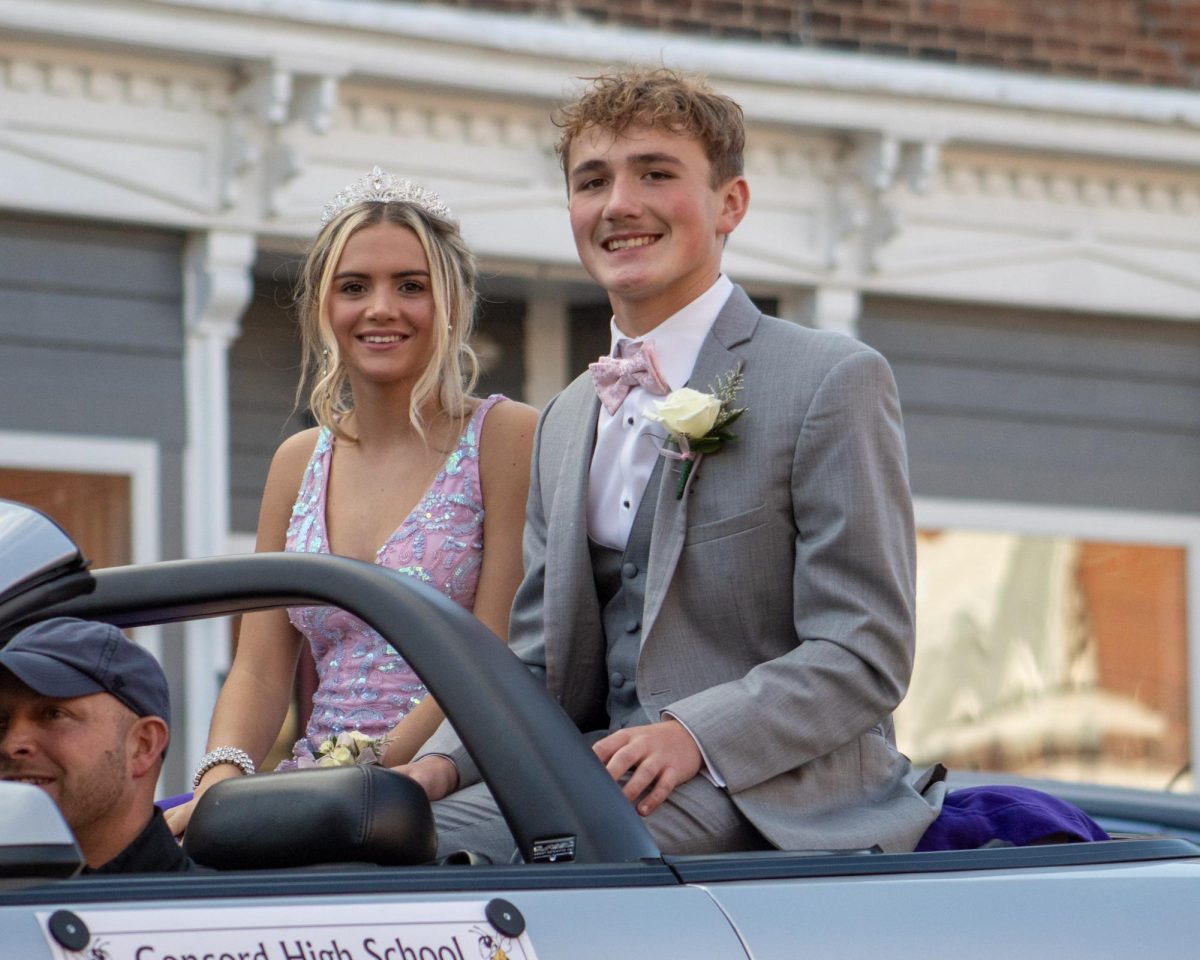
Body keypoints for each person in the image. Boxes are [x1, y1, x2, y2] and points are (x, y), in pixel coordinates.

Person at [402, 67, 944, 859]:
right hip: (598, 775)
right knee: (377, 834)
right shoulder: (563, 420)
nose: (620, 203)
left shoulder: (831, 380)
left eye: (655, 172)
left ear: (731, 204)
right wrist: (437, 767)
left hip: (776, 797)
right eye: (594, 181)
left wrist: (694, 734)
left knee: (459, 858)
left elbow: (863, 650)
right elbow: (535, 664)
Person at [166, 168, 537, 835]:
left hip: (450, 781)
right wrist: (222, 784)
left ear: (452, 301)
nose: (380, 308)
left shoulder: (507, 436)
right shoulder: (297, 461)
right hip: (316, 782)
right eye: (354, 287)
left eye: (411, 286)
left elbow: (494, 647)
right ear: (324, 307)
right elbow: (258, 667)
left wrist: (366, 770)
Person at [0, 617, 196, 873]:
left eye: (54, 715)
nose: (12, 744)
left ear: (143, 745)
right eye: (0, 723)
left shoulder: (219, 910)